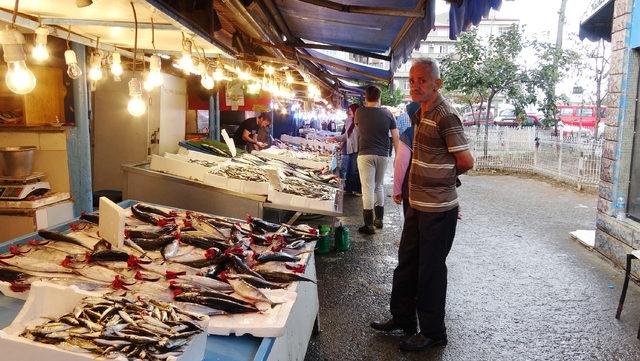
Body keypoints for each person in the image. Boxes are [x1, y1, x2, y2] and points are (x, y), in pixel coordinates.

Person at [370, 58, 474, 351]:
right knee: (407, 263)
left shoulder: (446, 115)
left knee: (430, 270)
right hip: (416, 205)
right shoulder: (419, 113)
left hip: (439, 210)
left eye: (423, 80)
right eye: (413, 80)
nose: (416, 85)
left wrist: (442, 179)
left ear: (437, 84)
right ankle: (403, 318)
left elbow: (466, 161)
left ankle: (433, 332)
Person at [355, 85, 399, 234]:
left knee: (367, 188)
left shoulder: (359, 112)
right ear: (379, 97)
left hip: (365, 154)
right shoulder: (388, 114)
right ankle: (379, 220)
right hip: (383, 154)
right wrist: (397, 156)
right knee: (379, 186)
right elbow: (395, 136)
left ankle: (368, 225)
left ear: (365, 98)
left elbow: (358, 130)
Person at [329, 104, 361, 195]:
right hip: (348, 149)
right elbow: (345, 136)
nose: (349, 111)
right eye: (349, 110)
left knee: (354, 170)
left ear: (355, 111)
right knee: (347, 169)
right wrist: (335, 138)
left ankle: (356, 189)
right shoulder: (348, 121)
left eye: (350, 110)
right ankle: (348, 188)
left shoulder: (360, 122)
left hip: (356, 149)